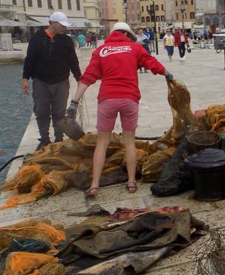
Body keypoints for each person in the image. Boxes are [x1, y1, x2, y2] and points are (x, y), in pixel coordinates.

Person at [66, 22, 173, 198]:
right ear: (126, 34)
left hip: (107, 99)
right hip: (129, 99)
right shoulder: (134, 48)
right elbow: (152, 63)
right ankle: (131, 182)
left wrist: (74, 102)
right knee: (129, 142)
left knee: (102, 142)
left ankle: (94, 185)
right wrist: (167, 74)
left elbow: (88, 77)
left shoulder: (101, 50)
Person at [22, 11, 82, 149]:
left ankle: (59, 138)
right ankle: (44, 138)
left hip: (61, 81)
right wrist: (25, 78)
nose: (64, 28)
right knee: (41, 110)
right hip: (40, 81)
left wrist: (79, 77)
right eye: (62, 25)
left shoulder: (66, 40)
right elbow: (30, 59)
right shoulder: (37, 38)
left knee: (59, 112)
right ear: (53, 23)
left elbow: (73, 61)